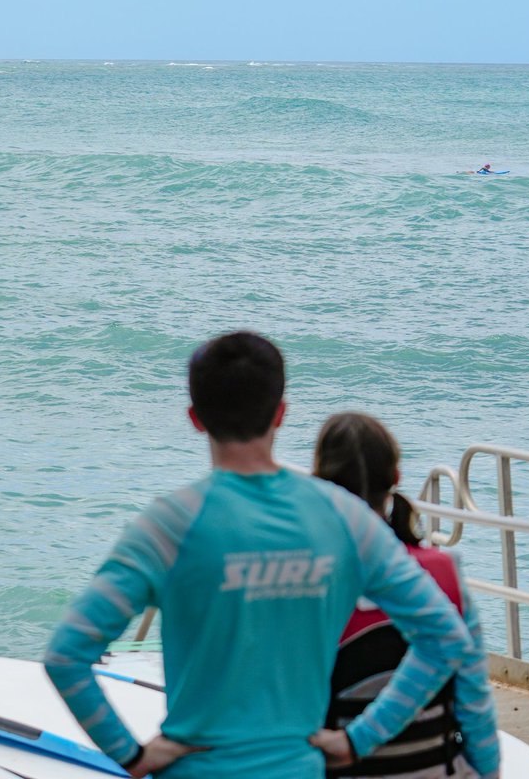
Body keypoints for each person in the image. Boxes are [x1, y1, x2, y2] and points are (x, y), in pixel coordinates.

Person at [44, 331, 490, 779]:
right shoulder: (344, 518)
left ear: (196, 419)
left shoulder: (167, 526)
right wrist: (360, 738)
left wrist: (132, 756)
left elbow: (66, 655)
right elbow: (446, 637)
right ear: (280, 413)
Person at [314, 413, 498, 778]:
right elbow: (475, 705)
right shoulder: (444, 575)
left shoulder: (308, 583)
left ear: (320, 485)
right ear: (396, 479)